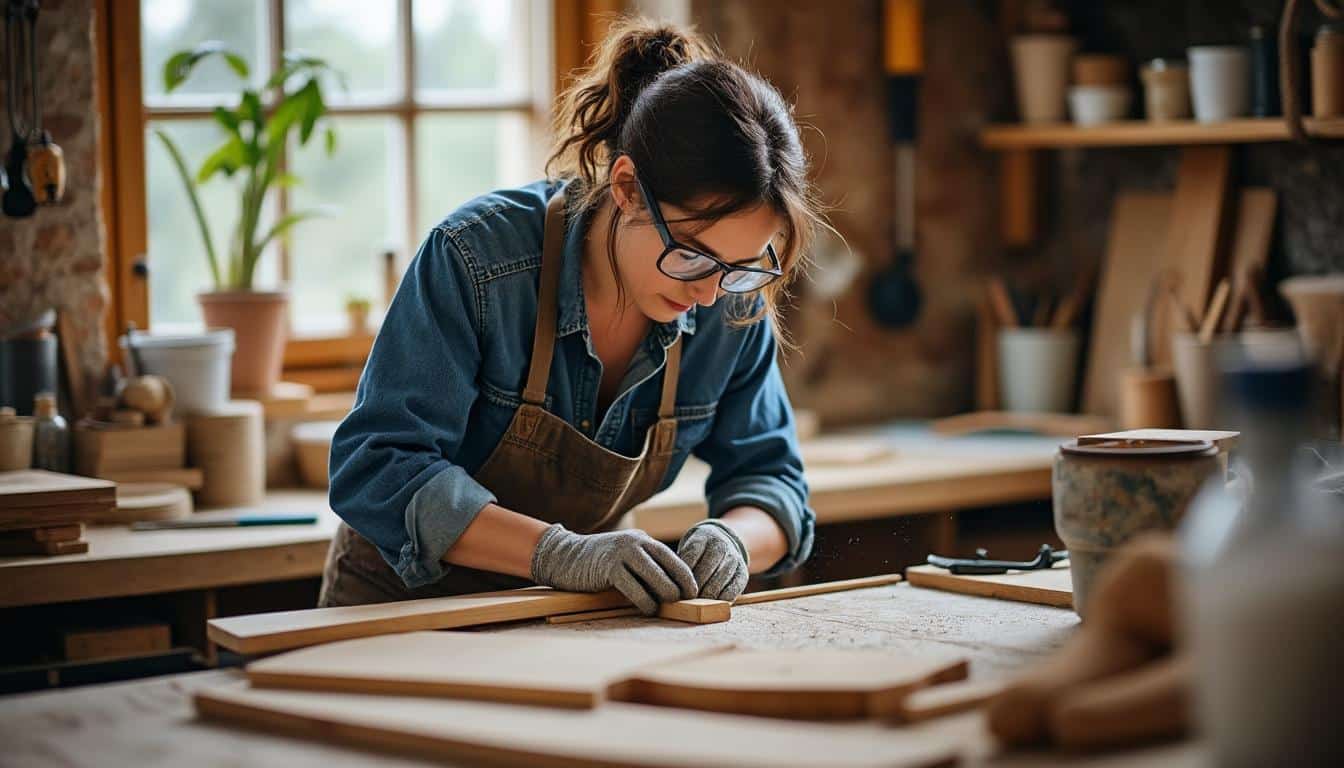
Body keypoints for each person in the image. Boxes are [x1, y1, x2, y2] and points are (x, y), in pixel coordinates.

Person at [321, 18, 826, 614]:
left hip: (575, 622)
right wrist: (559, 555)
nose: (712, 294)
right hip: (404, 615)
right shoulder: (480, 261)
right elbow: (377, 468)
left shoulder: (730, 298)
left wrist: (734, 540)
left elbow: (773, 480)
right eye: (691, 254)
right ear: (627, 187)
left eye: (740, 265)